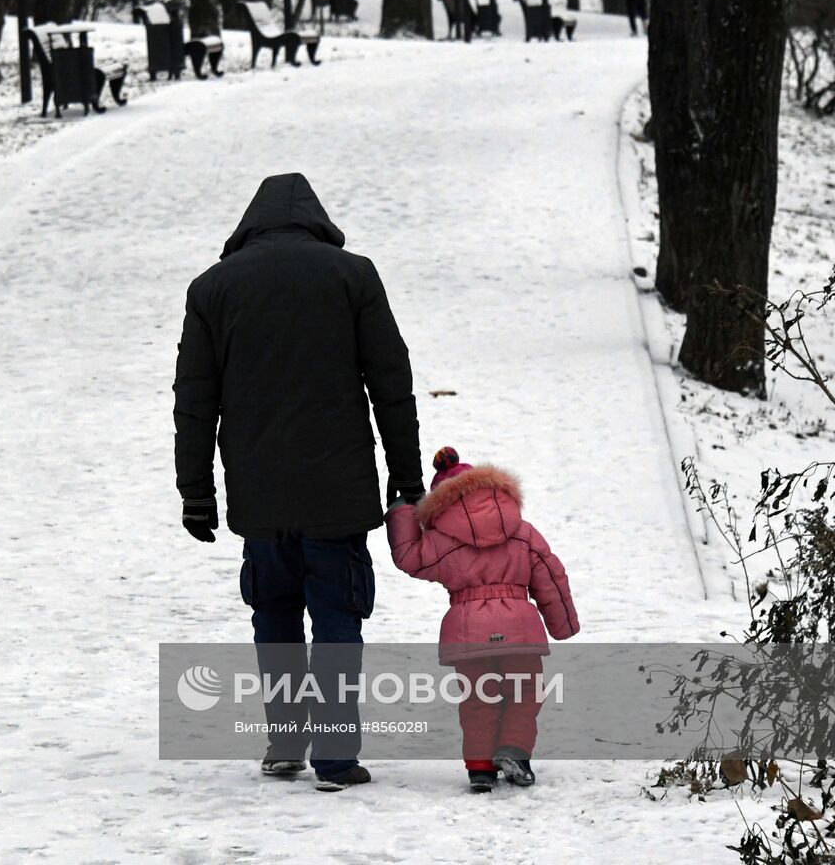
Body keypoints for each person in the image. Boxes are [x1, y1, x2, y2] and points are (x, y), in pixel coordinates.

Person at [173, 172, 423, 793]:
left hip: (259, 493)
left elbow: (195, 400)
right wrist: (407, 476)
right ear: (315, 219)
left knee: (274, 614)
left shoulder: (212, 289)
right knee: (339, 618)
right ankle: (337, 759)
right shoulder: (352, 276)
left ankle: (285, 743)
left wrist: (196, 488)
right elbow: (391, 383)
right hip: (338, 490)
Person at [386, 447, 579, 793]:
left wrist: (402, 510)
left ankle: (479, 767)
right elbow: (551, 574)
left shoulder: (440, 540)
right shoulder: (522, 531)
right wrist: (562, 624)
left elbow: (409, 558)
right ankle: (515, 752)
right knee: (523, 692)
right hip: (519, 628)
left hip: (467, 632)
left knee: (478, 697)